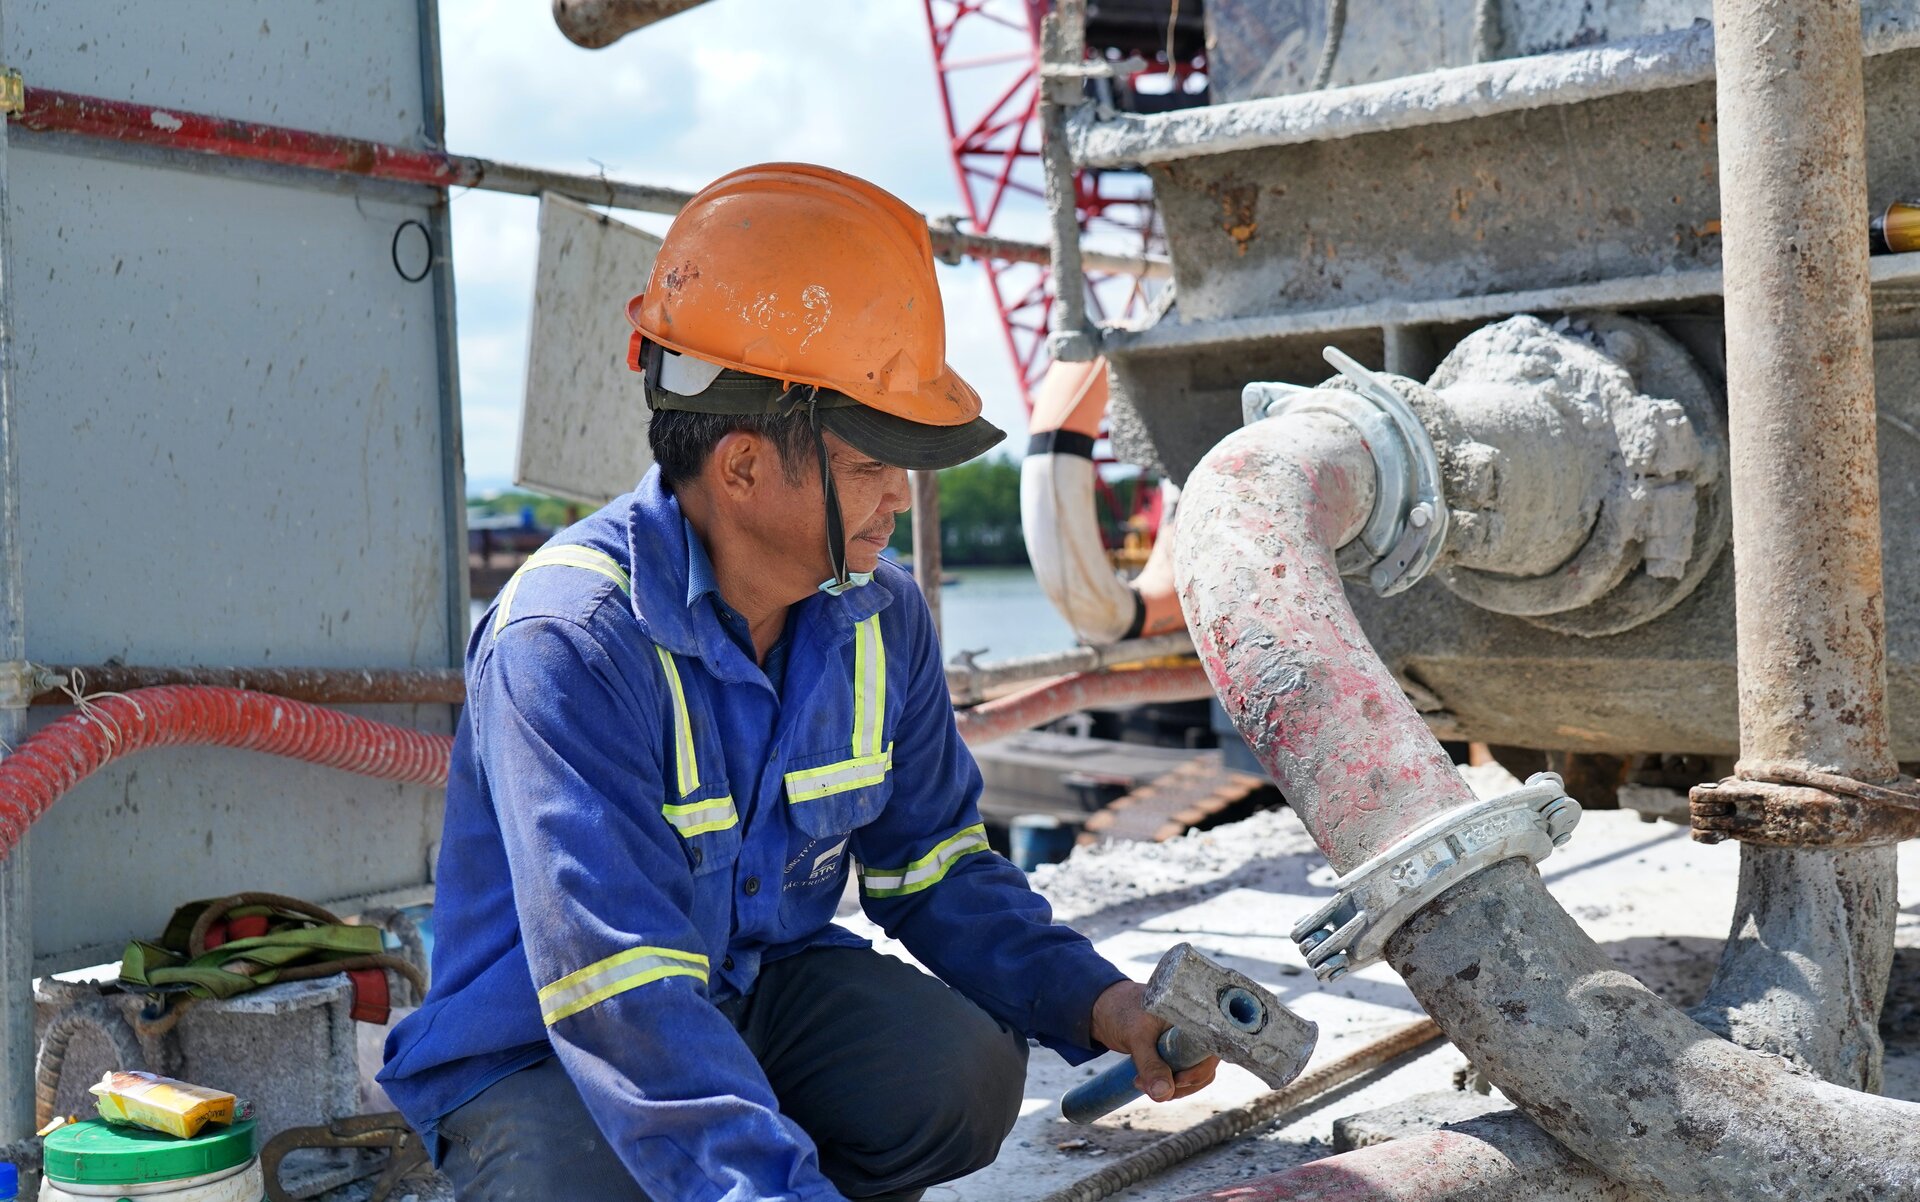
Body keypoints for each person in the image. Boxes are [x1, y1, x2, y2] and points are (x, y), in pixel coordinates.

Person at [379, 162, 1216, 1201]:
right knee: (578, 1183)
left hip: (749, 989)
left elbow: (937, 867)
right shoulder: (570, 640)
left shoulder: (880, 613)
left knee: (959, 1074)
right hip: (548, 1037)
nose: (899, 504)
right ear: (741, 467)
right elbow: (621, 992)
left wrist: (1103, 1002)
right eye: (872, 466)